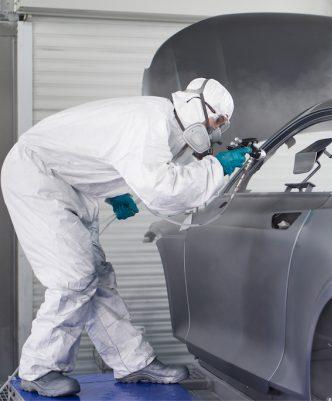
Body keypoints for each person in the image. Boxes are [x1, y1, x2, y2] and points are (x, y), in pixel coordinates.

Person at [1, 78, 250, 397]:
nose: (216, 132)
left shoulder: (167, 123)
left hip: (67, 181)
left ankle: (132, 362)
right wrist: (217, 167)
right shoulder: (151, 123)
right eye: (218, 122)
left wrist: (113, 190)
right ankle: (38, 368)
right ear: (199, 107)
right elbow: (166, 190)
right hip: (36, 175)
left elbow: (102, 149)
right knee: (74, 277)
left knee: (97, 277)